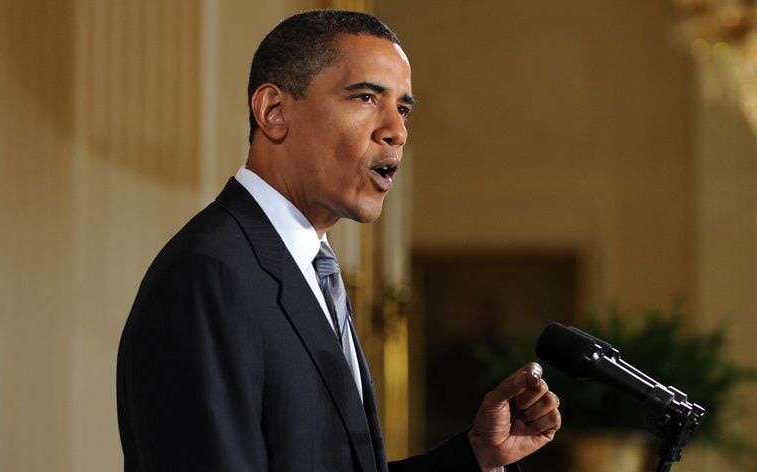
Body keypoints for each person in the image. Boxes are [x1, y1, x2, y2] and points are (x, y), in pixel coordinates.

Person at [117, 9, 561, 472]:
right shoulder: (209, 276)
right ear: (273, 111)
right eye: (367, 97)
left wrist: (476, 456)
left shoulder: (311, 269)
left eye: (403, 109)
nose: (398, 131)